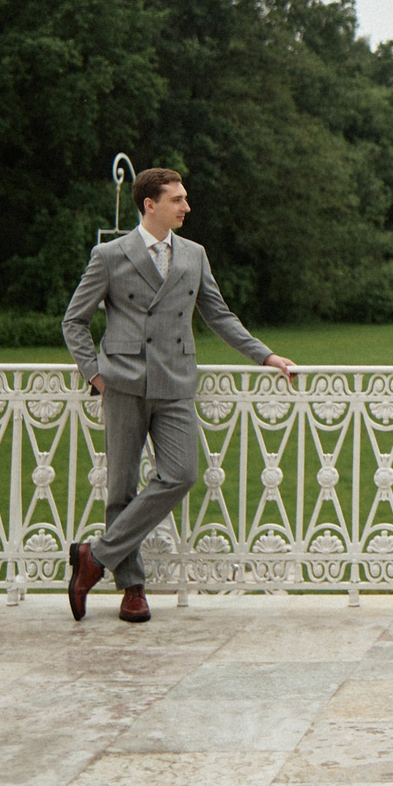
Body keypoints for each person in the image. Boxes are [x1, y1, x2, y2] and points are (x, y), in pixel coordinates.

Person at [61, 167, 297, 622]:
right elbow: (74, 320)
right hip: (124, 383)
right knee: (121, 491)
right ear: (149, 205)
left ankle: (95, 556)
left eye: (185, 199)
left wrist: (265, 356)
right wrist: (93, 373)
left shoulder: (194, 255)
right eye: (177, 200)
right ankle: (133, 589)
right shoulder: (109, 255)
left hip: (175, 383)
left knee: (182, 473)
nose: (186, 207)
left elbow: (220, 316)